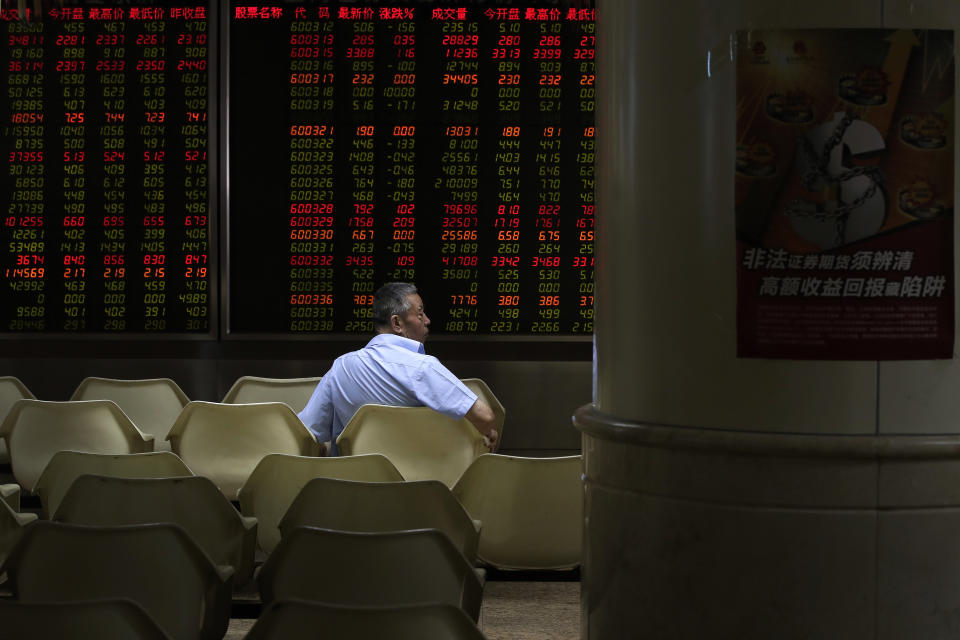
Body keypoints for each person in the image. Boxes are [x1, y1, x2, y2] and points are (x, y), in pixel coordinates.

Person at [298, 282, 498, 455]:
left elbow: (308, 430)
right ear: (397, 323)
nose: (427, 320)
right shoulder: (422, 367)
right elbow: (485, 417)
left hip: (357, 485)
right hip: (423, 487)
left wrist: (320, 448)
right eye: (420, 314)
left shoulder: (341, 366)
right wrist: (487, 431)